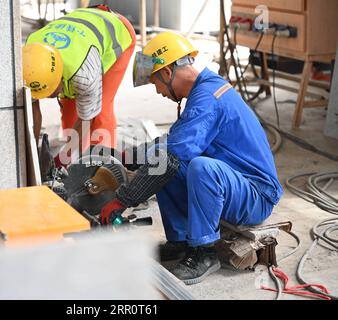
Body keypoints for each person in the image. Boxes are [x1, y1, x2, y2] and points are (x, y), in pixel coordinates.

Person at [99, 32, 283, 285]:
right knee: (170, 160)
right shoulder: (203, 91)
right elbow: (171, 144)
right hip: (235, 183)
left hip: (256, 195)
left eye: (156, 84)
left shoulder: (208, 99)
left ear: (167, 72)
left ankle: (205, 252)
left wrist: (122, 200)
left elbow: (172, 154)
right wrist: (127, 157)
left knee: (195, 166)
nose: (159, 92)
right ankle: (182, 242)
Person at [22, 5, 136, 166]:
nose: (47, 97)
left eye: (50, 92)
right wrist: (31, 153)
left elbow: (87, 118)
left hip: (117, 33)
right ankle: (76, 163)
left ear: (60, 77)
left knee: (101, 109)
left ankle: (104, 168)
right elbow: (32, 111)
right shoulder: (27, 62)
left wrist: (63, 158)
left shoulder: (85, 74)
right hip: (81, 30)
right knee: (69, 110)